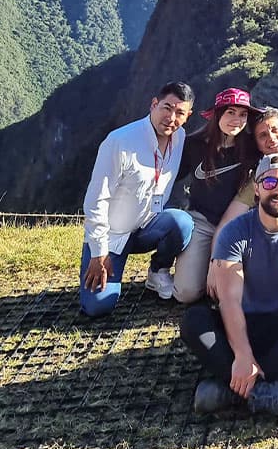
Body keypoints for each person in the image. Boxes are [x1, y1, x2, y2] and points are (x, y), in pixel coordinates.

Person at [180, 154, 278, 422]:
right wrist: (242, 354)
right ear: (256, 188)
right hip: (244, 325)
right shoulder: (235, 232)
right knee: (193, 321)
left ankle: (230, 390)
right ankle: (267, 391)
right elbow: (229, 300)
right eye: (270, 182)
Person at [80, 82, 195, 316]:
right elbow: (96, 200)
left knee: (181, 222)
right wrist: (99, 252)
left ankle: (157, 271)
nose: (171, 117)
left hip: (148, 227)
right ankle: (104, 268)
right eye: (167, 108)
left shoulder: (180, 137)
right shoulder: (120, 141)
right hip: (113, 236)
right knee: (97, 306)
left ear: (188, 116)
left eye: (179, 112)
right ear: (154, 104)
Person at [171, 88, 262, 304]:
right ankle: (164, 266)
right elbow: (171, 176)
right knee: (186, 293)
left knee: (244, 288)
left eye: (242, 114)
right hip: (202, 221)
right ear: (217, 114)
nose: (236, 120)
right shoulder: (194, 145)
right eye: (230, 112)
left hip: (241, 225)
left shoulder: (252, 147)